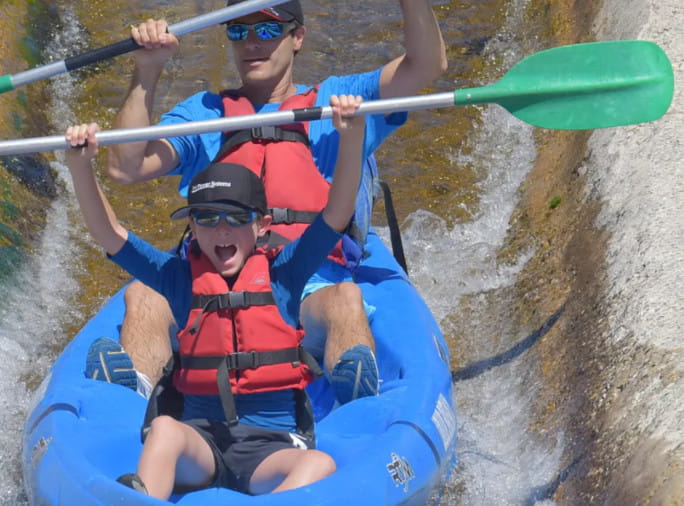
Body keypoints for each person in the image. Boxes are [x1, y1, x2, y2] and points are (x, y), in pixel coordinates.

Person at [88, 0, 447, 407]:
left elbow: (427, 64)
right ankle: (126, 402)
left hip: (305, 278)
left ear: (297, 37)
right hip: (211, 277)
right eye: (238, 31)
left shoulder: (336, 101)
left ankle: (360, 411)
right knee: (145, 298)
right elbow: (124, 166)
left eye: (267, 30)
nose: (251, 43)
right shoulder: (207, 115)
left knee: (344, 302)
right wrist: (146, 70)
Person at [66, 95, 365, 498]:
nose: (222, 231)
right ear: (192, 227)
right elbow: (110, 234)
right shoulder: (178, 278)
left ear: (261, 226)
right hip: (201, 445)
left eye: (236, 218)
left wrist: (353, 136)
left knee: (319, 463)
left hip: (270, 449)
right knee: (166, 430)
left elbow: (336, 212)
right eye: (208, 219)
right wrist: (81, 166)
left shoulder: (284, 273)